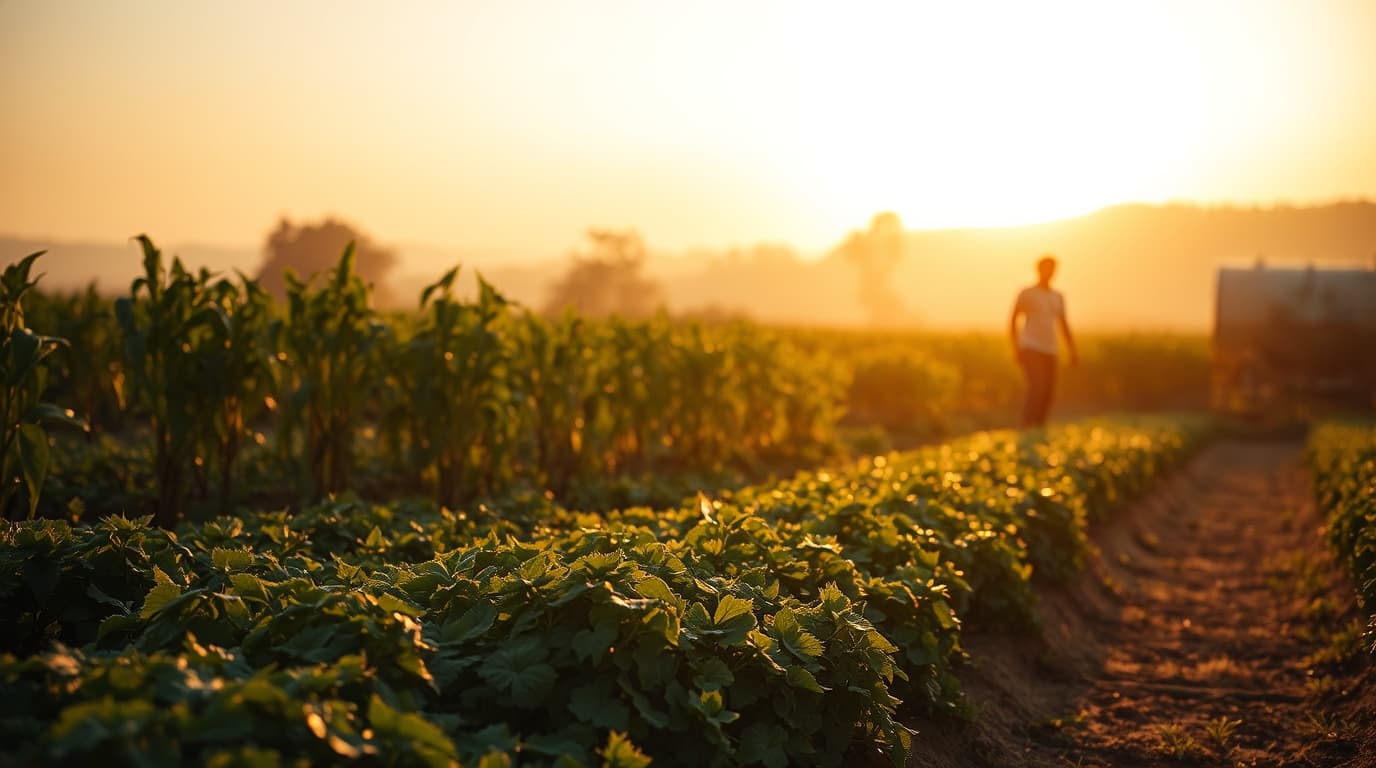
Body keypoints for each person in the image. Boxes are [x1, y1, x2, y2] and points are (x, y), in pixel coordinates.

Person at [1009, 254, 1077, 428]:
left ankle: (1039, 426)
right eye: (1046, 268)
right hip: (1030, 346)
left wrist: (1072, 350)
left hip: (1051, 349)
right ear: (1038, 270)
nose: (1050, 272)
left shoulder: (1057, 296)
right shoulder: (1027, 293)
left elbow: (1063, 324)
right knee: (1037, 387)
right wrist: (1016, 347)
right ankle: (1027, 425)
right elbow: (1013, 319)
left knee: (1048, 391)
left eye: (1052, 269)